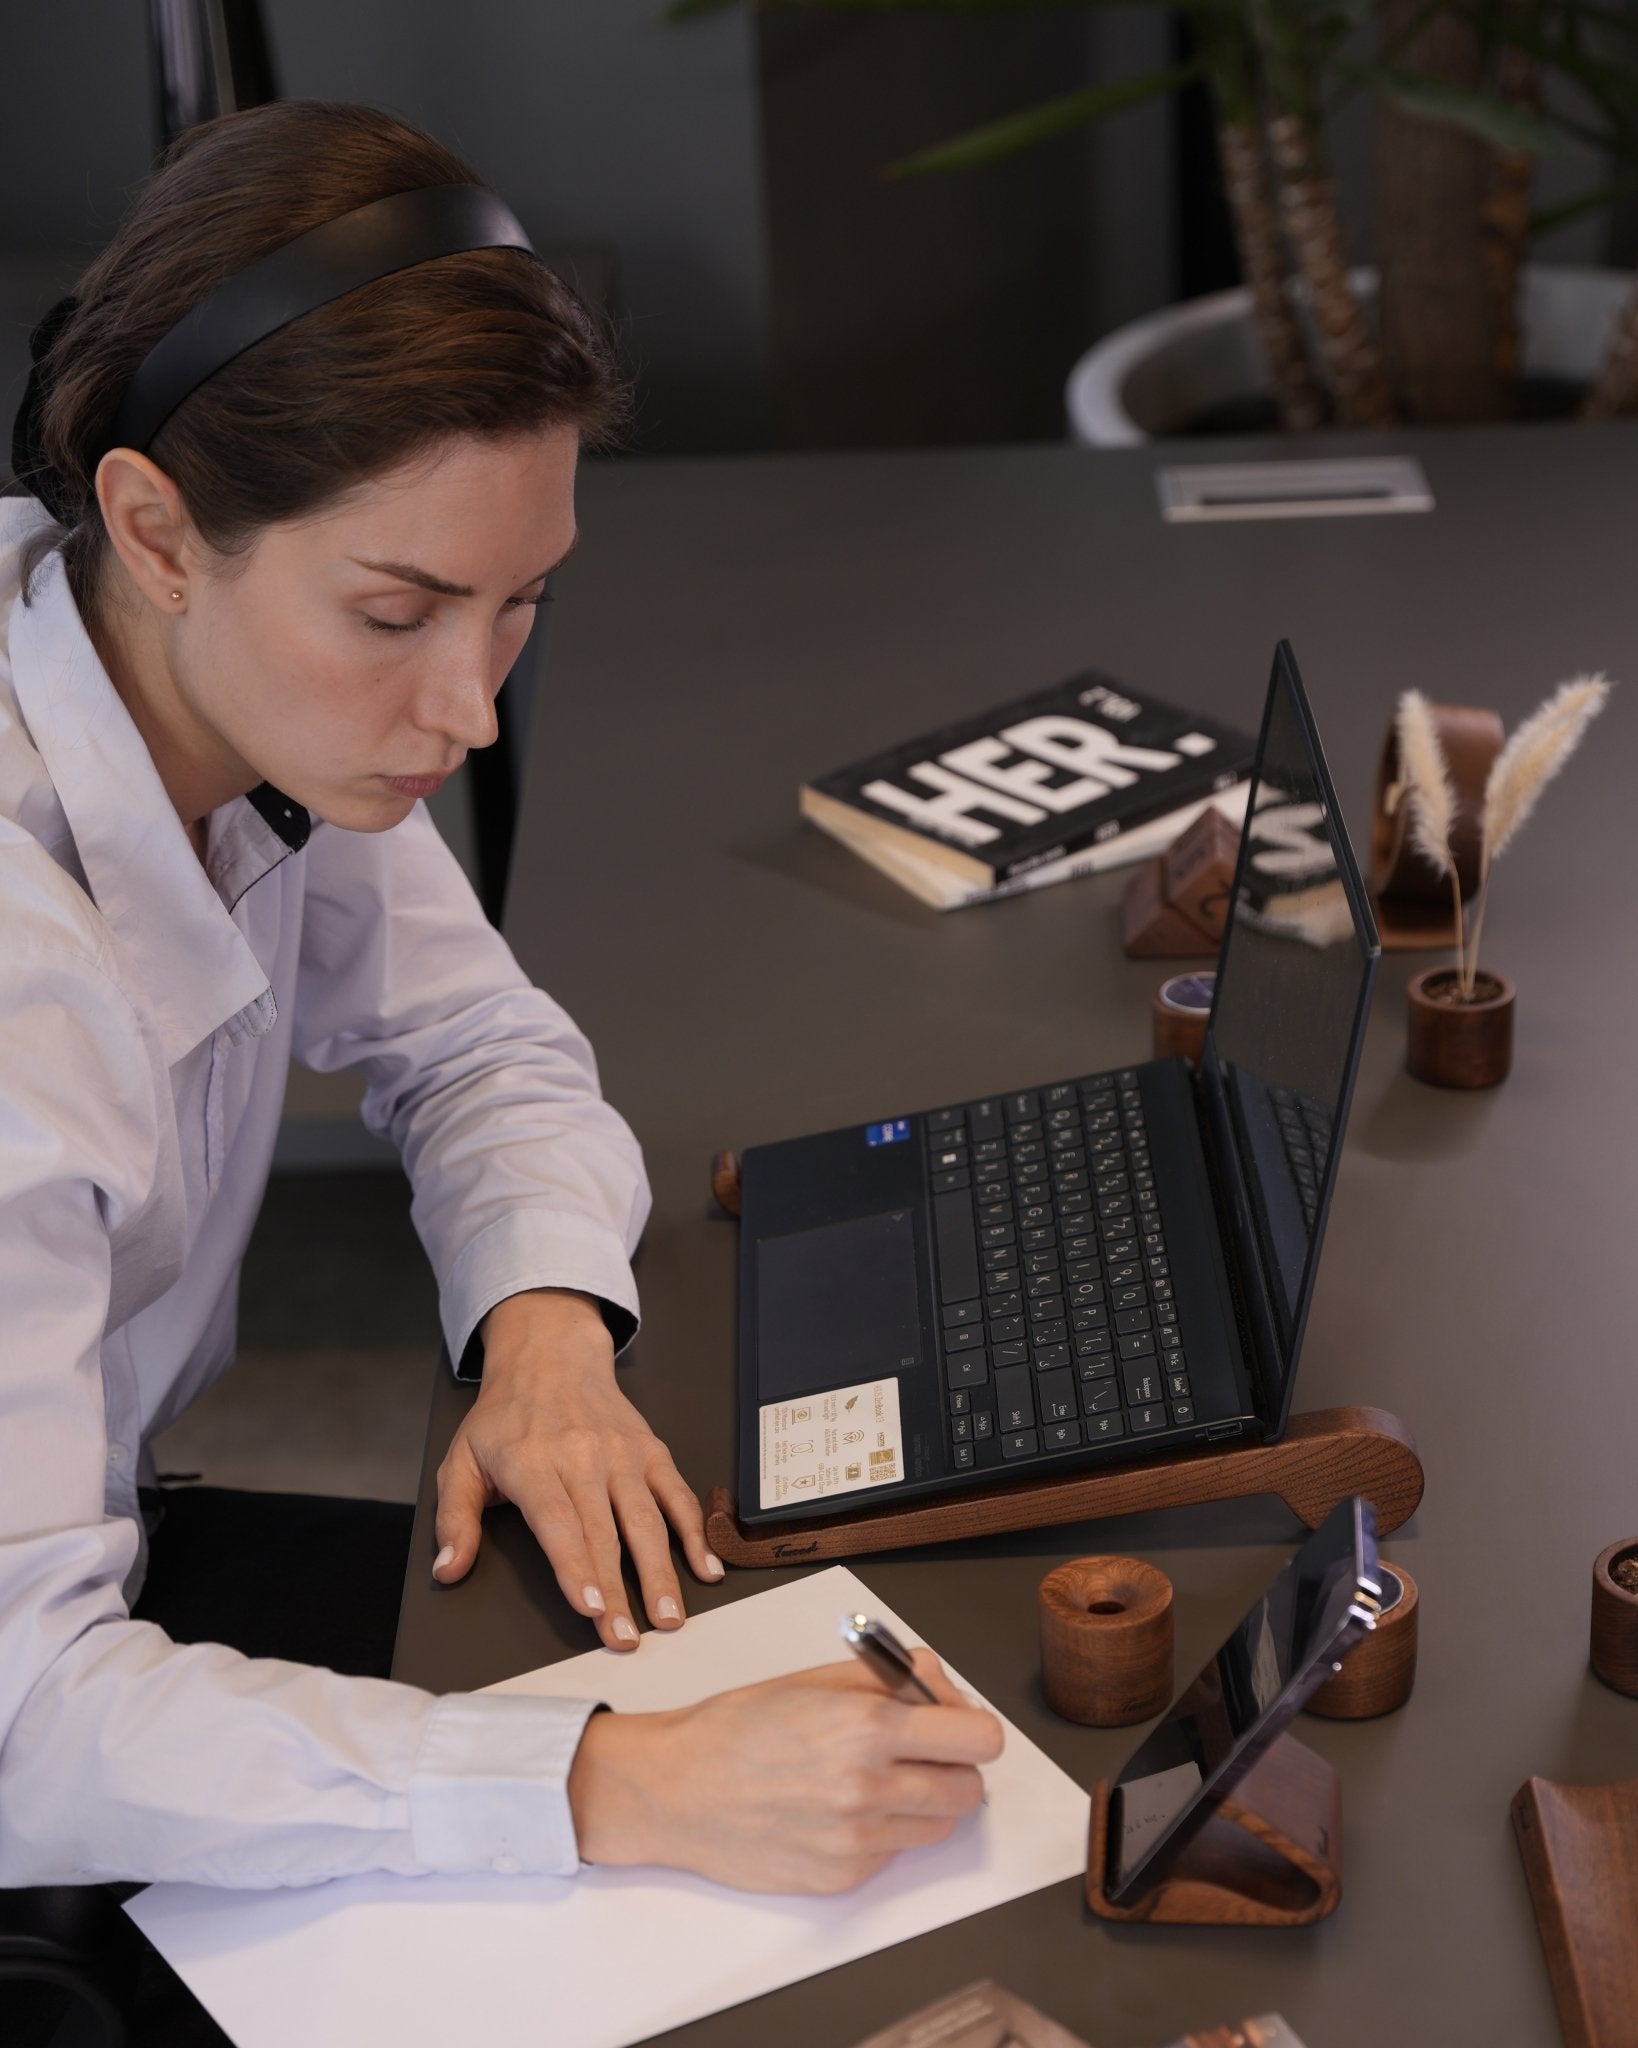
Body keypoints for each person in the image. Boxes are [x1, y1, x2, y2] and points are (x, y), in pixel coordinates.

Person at [0, 97, 1001, 2031]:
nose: (465, 707)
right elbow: (26, 1723)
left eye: (519, 600)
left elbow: (472, 1039)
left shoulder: (222, 691)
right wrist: (601, 1780)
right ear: (149, 523)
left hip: (86, 1551)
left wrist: (542, 1333)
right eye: (397, 612)